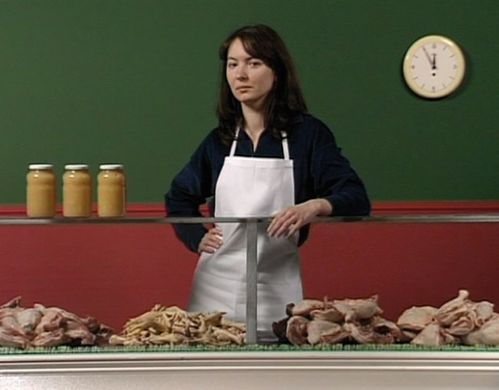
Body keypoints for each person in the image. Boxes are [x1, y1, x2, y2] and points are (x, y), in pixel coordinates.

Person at [165, 24, 370, 334]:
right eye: (233, 65)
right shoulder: (219, 141)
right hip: (213, 289)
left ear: (278, 71)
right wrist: (196, 238)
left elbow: (356, 198)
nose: (240, 74)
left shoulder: (308, 136)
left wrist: (312, 206)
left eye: (253, 63)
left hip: (277, 293)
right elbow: (178, 197)